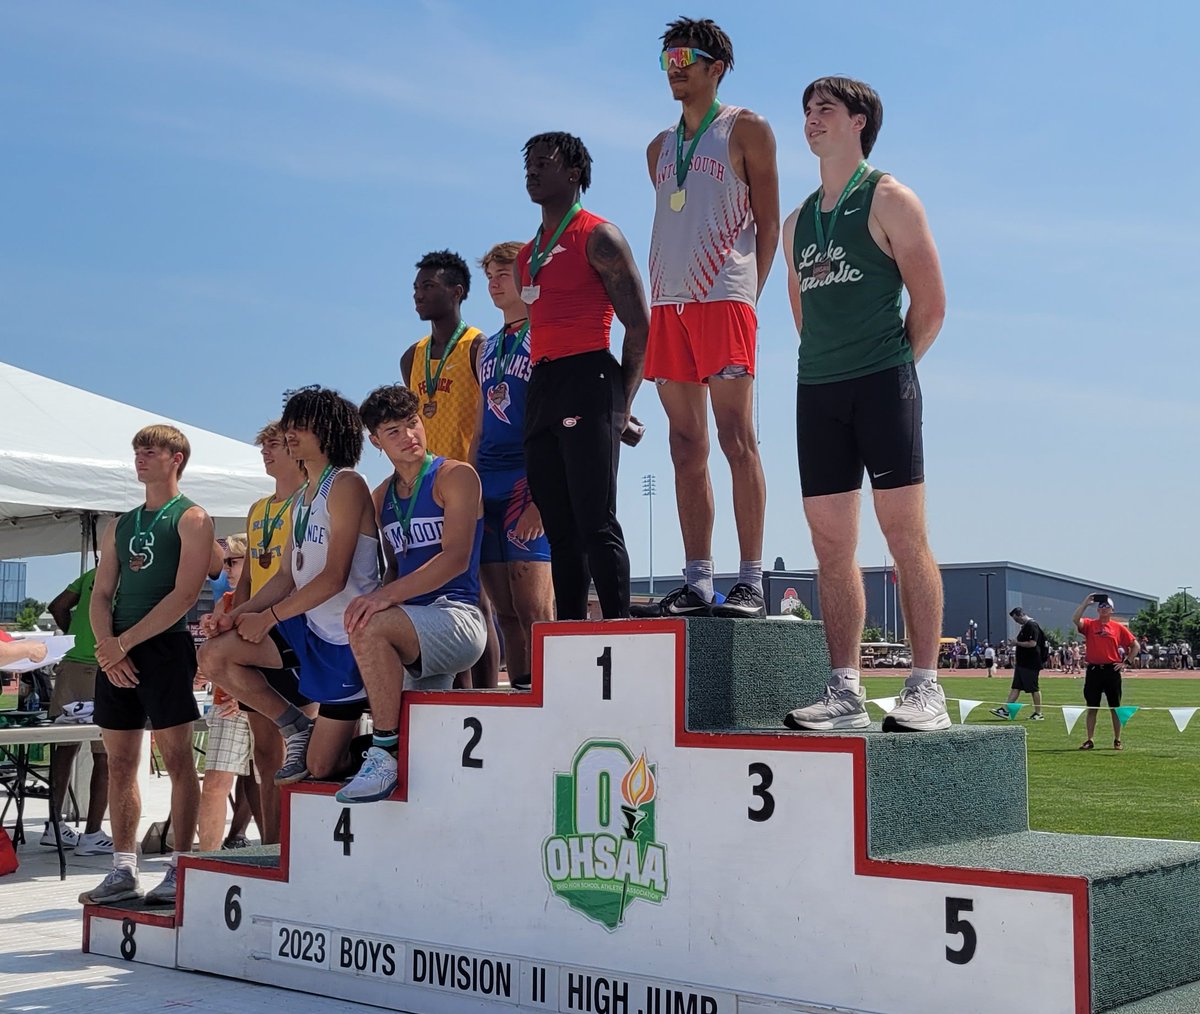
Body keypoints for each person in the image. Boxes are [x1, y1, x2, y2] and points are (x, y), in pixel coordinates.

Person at [781, 77, 947, 733]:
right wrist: (838, 367)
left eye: (825, 110)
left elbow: (930, 307)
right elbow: (803, 318)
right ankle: (845, 690)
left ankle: (925, 687)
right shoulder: (797, 222)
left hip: (884, 381)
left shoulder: (889, 198)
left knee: (904, 532)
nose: (811, 120)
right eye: (806, 112)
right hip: (818, 389)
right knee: (829, 543)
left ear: (858, 123)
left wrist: (889, 368)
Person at [633, 17, 779, 620]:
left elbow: (768, 223)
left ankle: (749, 580)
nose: (676, 67)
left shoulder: (746, 129)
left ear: (716, 66)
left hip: (724, 298)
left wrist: (750, 292)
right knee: (683, 443)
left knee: (735, 438)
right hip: (668, 303)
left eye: (686, 56)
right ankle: (696, 580)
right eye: (667, 58)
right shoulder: (658, 148)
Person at [199, 388, 380, 787]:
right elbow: (284, 577)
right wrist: (234, 615)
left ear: (329, 431)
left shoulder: (347, 483)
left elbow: (334, 577)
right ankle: (297, 727)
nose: (290, 433)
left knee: (320, 768)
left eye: (301, 425)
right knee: (213, 656)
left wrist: (268, 618)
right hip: (310, 628)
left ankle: (387, 751)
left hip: (347, 637)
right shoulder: (302, 497)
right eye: (289, 425)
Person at [516, 131, 650, 620]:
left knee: (595, 521)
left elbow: (639, 326)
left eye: (543, 163)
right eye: (528, 164)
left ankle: (620, 630)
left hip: (589, 374)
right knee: (560, 529)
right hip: (543, 385)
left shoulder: (599, 237)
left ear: (572, 174)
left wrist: (622, 404)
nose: (531, 171)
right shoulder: (523, 257)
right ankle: (571, 637)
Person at [80, 425, 214, 906]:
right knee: (119, 763)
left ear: (176, 459)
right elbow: (99, 593)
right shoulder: (120, 524)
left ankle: (179, 866)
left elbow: (184, 596)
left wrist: (124, 643)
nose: (141, 457)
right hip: (117, 648)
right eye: (137, 449)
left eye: (151, 450)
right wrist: (106, 646)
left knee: (178, 760)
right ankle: (123, 869)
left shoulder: (192, 517)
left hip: (164, 649)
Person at [336, 385, 488, 802]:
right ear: (375, 441)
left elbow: (456, 558)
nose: (409, 436)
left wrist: (383, 600)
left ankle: (380, 749)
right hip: (413, 626)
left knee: (371, 625)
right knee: (426, 756)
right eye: (394, 431)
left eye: (412, 424)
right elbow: (387, 571)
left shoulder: (454, 475)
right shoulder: (381, 495)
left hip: (456, 616)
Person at [400, 250, 498, 689]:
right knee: (436, 592)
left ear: (457, 292)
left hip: (469, 481)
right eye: (417, 287)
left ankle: (485, 691)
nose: (418, 294)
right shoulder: (412, 357)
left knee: (477, 592)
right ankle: (454, 693)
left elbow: (491, 418)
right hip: (425, 487)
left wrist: (473, 481)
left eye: (429, 287)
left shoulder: (479, 346)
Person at [476, 241, 553, 689]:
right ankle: (523, 688)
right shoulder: (485, 348)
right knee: (503, 608)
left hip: (528, 475)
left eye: (503, 273)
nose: (494, 283)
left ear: (527, 276)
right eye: (489, 276)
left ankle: (552, 693)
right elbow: (480, 425)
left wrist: (542, 498)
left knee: (535, 609)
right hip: (488, 479)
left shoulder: (546, 333)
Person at [196, 536, 265, 852]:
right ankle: (206, 861)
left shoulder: (271, 597)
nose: (227, 568)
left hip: (261, 701)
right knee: (215, 785)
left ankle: (274, 852)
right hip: (230, 703)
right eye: (226, 562)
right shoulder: (225, 600)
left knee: (268, 786)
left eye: (233, 561)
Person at [44, 567, 113, 856]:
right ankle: (93, 833)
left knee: (64, 748)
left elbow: (57, 606)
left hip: (71, 665)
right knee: (108, 753)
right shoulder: (136, 572)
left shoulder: (92, 573)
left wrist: (73, 634)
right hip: (106, 664)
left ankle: (54, 825)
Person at [1074, 593, 1137, 751]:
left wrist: (1126, 662)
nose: (1103, 609)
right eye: (1100, 606)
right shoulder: (1090, 624)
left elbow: (1135, 646)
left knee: (1115, 707)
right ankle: (1089, 739)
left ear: (1112, 610)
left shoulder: (1118, 627)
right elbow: (1075, 619)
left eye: (1106, 606)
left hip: (1111, 670)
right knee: (1092, 707)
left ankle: (1117, 739)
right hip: (1094, 670)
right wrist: (1085, 603)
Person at [991, 608, 1045, 721]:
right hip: (1022, 663)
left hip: (1030, 663)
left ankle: (1038, 713)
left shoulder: (1032, 625)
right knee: (1015, 687)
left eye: (1016, 619)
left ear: (1020, 615)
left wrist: (1017, 643)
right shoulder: (1025, 626)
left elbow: (1032, 643)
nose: (1016, 622)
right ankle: (1005, 710)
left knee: (1034, 688)